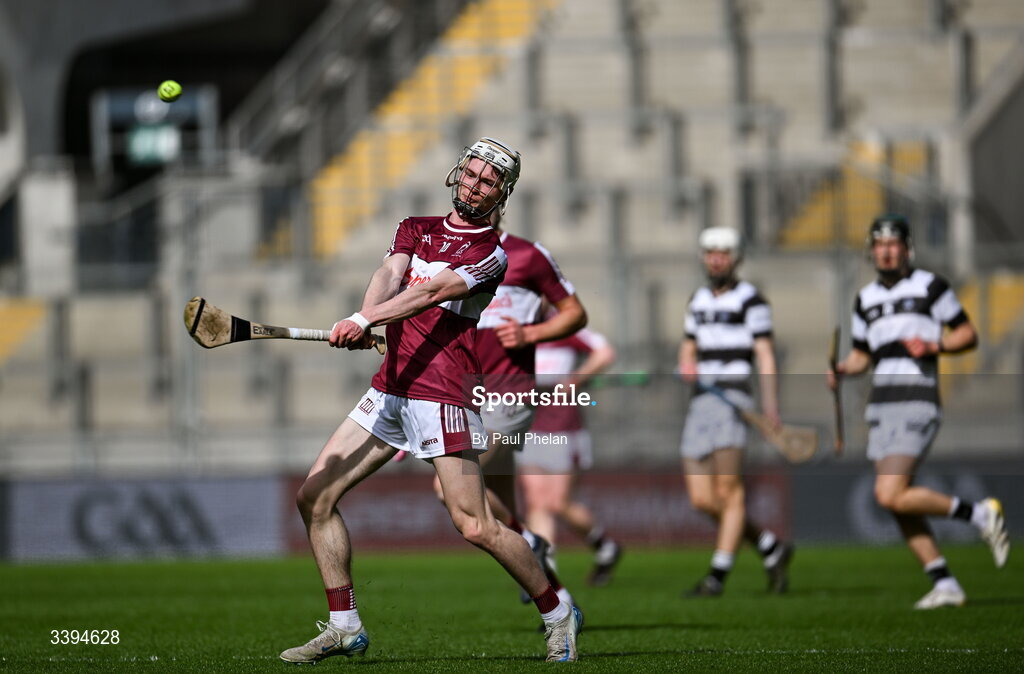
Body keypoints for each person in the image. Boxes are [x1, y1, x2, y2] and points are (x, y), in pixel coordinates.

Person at [279, 138, 582, 664]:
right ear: (457, 173)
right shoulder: (415, 227)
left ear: (502, 193)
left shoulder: (490, 255)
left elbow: (427, 294)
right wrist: (363, 315)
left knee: (475, 524)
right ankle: (344, 625)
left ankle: (558, 612)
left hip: (440, 393)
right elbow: (391, 276)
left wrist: (366, 321)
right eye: (471, 174)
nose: (475, 186)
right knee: (315, 497)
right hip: (390, 387)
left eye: (489, 182)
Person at [827, 214, 1010, 610]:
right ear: (871, 251)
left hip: (917, 398)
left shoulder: (929, 286)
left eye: (893, 244)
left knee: (889, 492)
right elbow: (862, 356)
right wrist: (842, 370)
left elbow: (967, 334)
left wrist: (934, 347)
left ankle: (980, 514)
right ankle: (945, 583)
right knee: (895, 501)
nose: (886, 251)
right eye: (879, 244)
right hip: (880, 405)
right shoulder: (865, 300)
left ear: (907, 248)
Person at [430, 200, 587, 608]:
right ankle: (561, 599)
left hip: (509, 393)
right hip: (463, 395)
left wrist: (532, 335)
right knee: (496, 511)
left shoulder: (528, 255)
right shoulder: (448, 259)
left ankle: (533, 541)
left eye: (489, 198)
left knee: (450, 488)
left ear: (501, 205)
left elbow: (575, 315)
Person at [678, 226, 795, 597]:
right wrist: (686, 363)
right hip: (702, 402)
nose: (716, 259)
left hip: (733, 401)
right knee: (701, 498)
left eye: (724, 253)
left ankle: (717, 575)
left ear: (737, 258)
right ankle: (768, 546)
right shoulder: (697, 300)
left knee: (729, 491)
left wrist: (770, 404)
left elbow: (764, 353)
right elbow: (688, 347)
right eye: (711, 252)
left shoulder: (751, 300)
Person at [517, 326, 624, 586]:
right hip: (528, 424)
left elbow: (604, 353)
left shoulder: (564, 325)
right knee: (536, 501)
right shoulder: (513, 325)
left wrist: (574, 381)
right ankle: (545, 572)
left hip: (564, 426)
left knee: (557, 502)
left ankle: (605, 546)